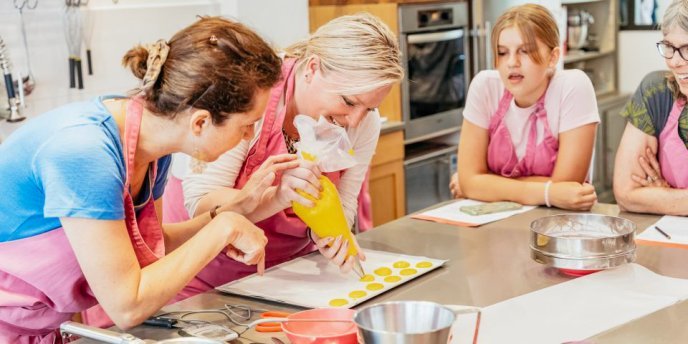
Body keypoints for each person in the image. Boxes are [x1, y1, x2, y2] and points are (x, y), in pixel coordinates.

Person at [0, 17, 285, 342]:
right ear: (200, 122)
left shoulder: (151, 150)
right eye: (247, 125)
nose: (249, 135)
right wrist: (221, 230)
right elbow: (127, 306)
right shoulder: (85, 152)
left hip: (43, 327)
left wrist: (229, 215)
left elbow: (149, 247)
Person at [162, 13, 404, 300]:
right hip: (204, 280)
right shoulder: (252, 95)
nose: (355, 121)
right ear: (312, 68)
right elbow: (201, 206)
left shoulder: (363, 122)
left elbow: (344, 203)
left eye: (370, 108)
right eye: (349, 101)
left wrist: (327, 235)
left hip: (286, 280)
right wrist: (278, 195)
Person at [449, 4, 599, 210]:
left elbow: (567, 187)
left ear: (553, 57)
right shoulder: (485, 86)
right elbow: (469, 181)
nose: (511, 62)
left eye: (525, 51)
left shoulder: (572, 87)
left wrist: (486, 184)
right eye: (502, 53)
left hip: (559, 224)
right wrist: (548, 192)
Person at [614, 0, 688, 215]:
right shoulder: (656, 92)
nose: (674, 61)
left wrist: (668, 198)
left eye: (687, 49)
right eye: (669, 47)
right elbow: (626, 194)